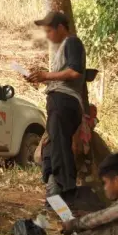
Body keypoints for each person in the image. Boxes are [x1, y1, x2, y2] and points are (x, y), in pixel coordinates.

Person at [27, 11, 87, 198]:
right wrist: (41, 78)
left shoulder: (72, 42)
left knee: (59, 147)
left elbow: (75, 72)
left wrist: (46, 75)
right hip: (58, 101)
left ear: (61, 28)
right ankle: (54, 186)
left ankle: (66, 189)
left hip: (64, 101)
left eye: (49, 31)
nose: (47, 36)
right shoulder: (63, 48)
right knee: (51, 147)